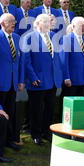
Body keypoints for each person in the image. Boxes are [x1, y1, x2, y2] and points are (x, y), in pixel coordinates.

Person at [22, 14, 63, 145]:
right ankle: (36, 134)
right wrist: (32, 77)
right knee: (36, 109)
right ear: (38, 23)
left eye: (49, 22)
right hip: (38, 80)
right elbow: (26, 61)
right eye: (46, 22)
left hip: (51, 80)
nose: (48, 25)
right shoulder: (29, 37)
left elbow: (56, 59)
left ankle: (47, 132)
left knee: (49, 108)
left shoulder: (52, 37)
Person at [0, 13, 25, 151]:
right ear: (2, 24)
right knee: (0, 115)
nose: (14, 24)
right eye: (10, 22)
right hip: (0, 84)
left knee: (11, 112)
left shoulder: (16, 37)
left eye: (14, 21)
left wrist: (20, 80)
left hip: (13, 84)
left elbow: (20, 61)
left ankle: (9, 139)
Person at [60, 17, 84, 98]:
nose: (83, 28)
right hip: (72, 80)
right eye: (80, 26)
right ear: (74, 26)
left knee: (80, 107)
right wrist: (66, 77)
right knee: (69, 106)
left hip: (83, 80)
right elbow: (64, 61)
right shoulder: (66, 39)